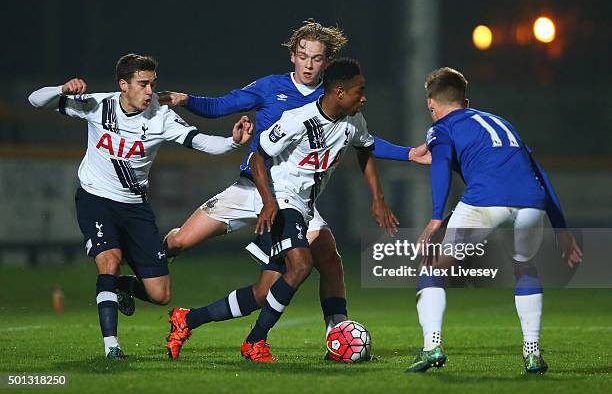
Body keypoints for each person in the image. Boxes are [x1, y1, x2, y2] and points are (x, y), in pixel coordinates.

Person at [161, 20, 430, 360]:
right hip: (255, 188)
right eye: (303, 56)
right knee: (181, 241)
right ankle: (151, 262)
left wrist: (407, 154)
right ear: (293, 57)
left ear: (326, 65)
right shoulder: (274, 90)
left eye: (316, 58)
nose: (308, 63)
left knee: (313, 268)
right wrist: (184, 99)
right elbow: (220, 106)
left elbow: (365, 143)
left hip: (297, 199)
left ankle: (339, 341)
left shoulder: (337, 98)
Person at [27, 54, 252, 359]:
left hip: (135, 209)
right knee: (110, 259)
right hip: (97, 199)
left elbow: (201, 142)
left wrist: (233, 142)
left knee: (160, 294)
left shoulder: (161, 116)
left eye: (153, 84)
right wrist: (61, 89)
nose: (150, 91)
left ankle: (116, 287)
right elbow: (35, 100)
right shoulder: (98, 105)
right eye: (143, 84)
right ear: (123, 85)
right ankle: (112, 347)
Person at [405, 67, 583, 373]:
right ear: (466, 100)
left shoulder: (442, 127)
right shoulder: (502, 122)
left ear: (431, 104)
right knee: (524, 266)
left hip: (484, 201)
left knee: (431, 266)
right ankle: (532, 353)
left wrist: (436, 219)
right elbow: (539, 174)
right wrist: (561, 228)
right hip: (531, 204)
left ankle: (431, 347)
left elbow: (441, 167)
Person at [239, 57, 397, 362]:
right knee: (300, 267)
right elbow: (259, 156)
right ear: (339, 92)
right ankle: (254, 341)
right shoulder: (298, 119)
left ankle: (337, 342)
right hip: (283, 200)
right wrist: (268, 200)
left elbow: (365, 151)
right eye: (359, 91)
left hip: (308, 207)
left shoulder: (354, 122)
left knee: (329, 264)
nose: (363, 97)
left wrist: (377, 198)